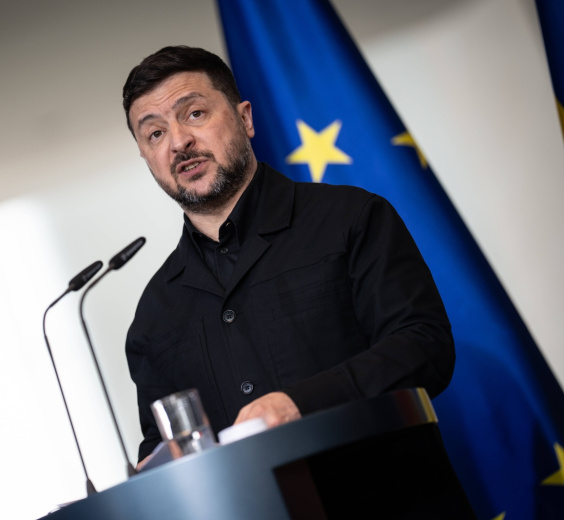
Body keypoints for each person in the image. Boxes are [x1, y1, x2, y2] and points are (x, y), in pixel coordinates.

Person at [122, 46, 454, 464]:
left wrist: (300, 404)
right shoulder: (153, 316)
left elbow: (424, 347)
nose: (178, 142)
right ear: (147, 158)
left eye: (195, 114)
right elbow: (162, 447)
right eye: (155, 133)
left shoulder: (351, 217)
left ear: (245, 119)